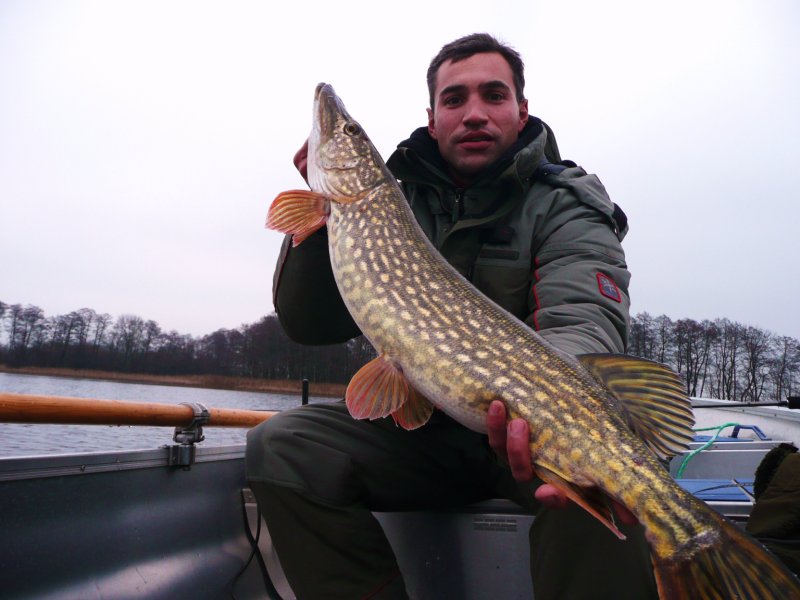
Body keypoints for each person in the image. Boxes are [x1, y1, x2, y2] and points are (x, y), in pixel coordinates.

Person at [247, 33, 657, 599]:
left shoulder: (568, 204)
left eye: (494, 95)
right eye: (454, 99)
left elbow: (584, 319)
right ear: (433, 119)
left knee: (605, 497)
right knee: (283, 447)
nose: (474, 113)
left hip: (527, 431)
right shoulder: (390, 199)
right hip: (423, 438)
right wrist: (320, 229)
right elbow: (309, 325)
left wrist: (551, 414)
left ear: (522, 111)